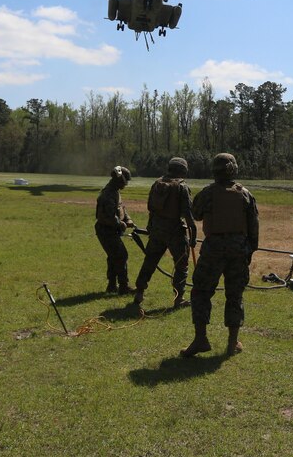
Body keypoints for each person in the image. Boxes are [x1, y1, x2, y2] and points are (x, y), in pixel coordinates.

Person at [181, 153, 259, 357]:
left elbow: (196, 213)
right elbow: (254, 226)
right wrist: (250, 250)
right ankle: (232, 343)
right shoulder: (245, 194)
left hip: (213, 247)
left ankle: (200, 339)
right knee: (235, 294)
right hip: (238, 248)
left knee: (201, 291)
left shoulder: (208, 193)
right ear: (233, 169)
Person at [134, 157, 197, 309]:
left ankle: (139, 292)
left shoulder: (157, 184)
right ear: (183, 170)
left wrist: (151, 227)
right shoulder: (181, 187)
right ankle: (179, 298)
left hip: (157, 229)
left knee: (150, 261)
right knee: (181, 265)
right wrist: (193, 236)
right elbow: (188, 215)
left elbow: (151, 208)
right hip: (175, 232)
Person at [95, 166, 136, 294]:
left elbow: (121, 208)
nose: (126, 183)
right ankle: (123, 287)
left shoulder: (115, 191)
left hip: (111, 230)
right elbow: (108, 216)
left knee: (114, 257)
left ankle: (112, 286)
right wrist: (121, 224)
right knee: (121, 255)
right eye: (125, 181)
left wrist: (128, 219)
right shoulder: (108, 194)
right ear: (120, 179)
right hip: (106, 230)